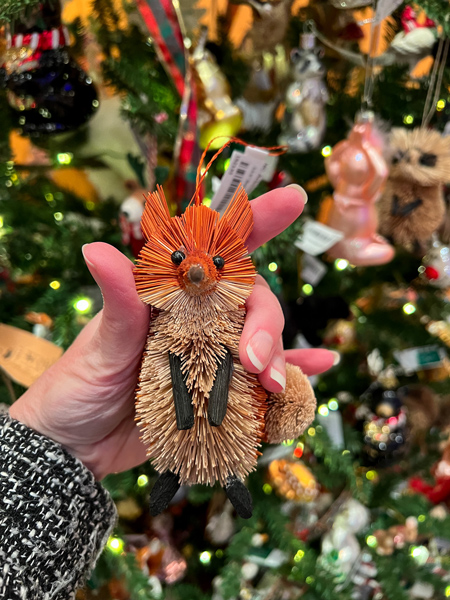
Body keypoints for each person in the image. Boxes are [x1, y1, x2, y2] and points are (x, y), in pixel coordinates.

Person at [1, 186, 338, 599]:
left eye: (214, 262)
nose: (196, 272)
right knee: (179, 433)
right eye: (179, 260)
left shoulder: (229, 319)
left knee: (240, 401)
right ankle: (174, 473)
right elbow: (173, 367)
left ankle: (231, 480)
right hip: (167, 414)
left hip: (224, 410)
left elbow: (231, 365)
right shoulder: (159, 326)